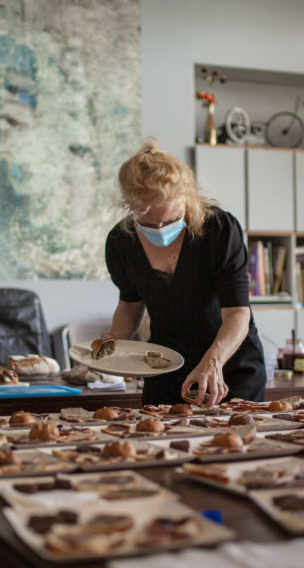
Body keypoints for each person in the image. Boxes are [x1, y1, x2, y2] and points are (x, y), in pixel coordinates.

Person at [103, 138, 266, 408]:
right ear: (130, 208)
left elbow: (238, 313)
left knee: (230, 446)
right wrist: (111, 343)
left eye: (170, 221)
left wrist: (211, 363)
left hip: (228, 365)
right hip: (165, 368)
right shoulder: (122, 242)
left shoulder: (219, 230)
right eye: (147, 223)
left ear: (187, 200)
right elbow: (130, 306)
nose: (160, 229)